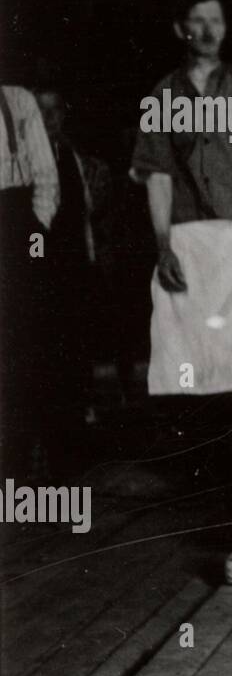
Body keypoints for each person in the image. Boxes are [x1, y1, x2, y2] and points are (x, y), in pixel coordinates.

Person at [129, 0, 232, 485]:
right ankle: (206, 480)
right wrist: (163, 246)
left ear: (225, 27)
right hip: (191, 241)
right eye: (197, 20)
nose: (207, 30)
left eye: (216, 20)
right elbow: (156, 176)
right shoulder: (163, 96)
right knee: (191, 352)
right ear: (179, 27)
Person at [34, 87, 112, 447]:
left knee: (76, 338)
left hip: (74, 264)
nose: (48, 118)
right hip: (40, 268)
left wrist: (90, 255)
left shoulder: (74, 158)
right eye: (41, 110)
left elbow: (83, 212)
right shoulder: (24, 159)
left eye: (54, 110)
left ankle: (79, 412)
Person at [0, 81, 59, 477]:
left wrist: (34, 243)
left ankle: (19, 466)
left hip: (16, 228)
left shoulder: (17, 100)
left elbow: (46, 178)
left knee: (20, 352)